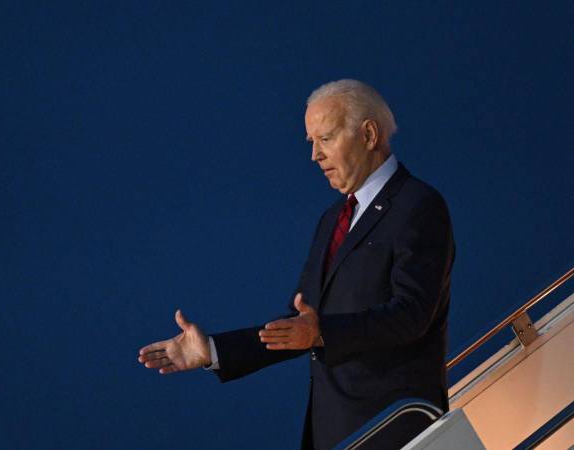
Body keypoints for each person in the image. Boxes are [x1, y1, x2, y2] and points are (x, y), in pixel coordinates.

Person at [138, 79, 455, 449]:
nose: (314, 156)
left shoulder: (418, 205)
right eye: (311, 142)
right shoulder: (332, 219)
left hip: (396, 428)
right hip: (334, 434)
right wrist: (211, 350)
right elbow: (298, 326)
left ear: (369, 134)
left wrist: (321, 333)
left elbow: (411, 315)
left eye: (326, 138)